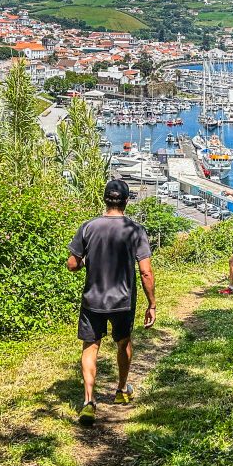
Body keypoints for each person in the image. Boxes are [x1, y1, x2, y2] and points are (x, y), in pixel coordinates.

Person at [66, 178, 156, 425]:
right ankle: (121, 390)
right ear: (126, 201)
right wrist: (152, 304)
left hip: (92, 299)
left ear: (104, 199)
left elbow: (72, 264)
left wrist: (85, 261)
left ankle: (88, 402)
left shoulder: (88, 227)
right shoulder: (135, 230)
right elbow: (146, 272)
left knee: (90, 347)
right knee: (123, 342)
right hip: (122, 300)